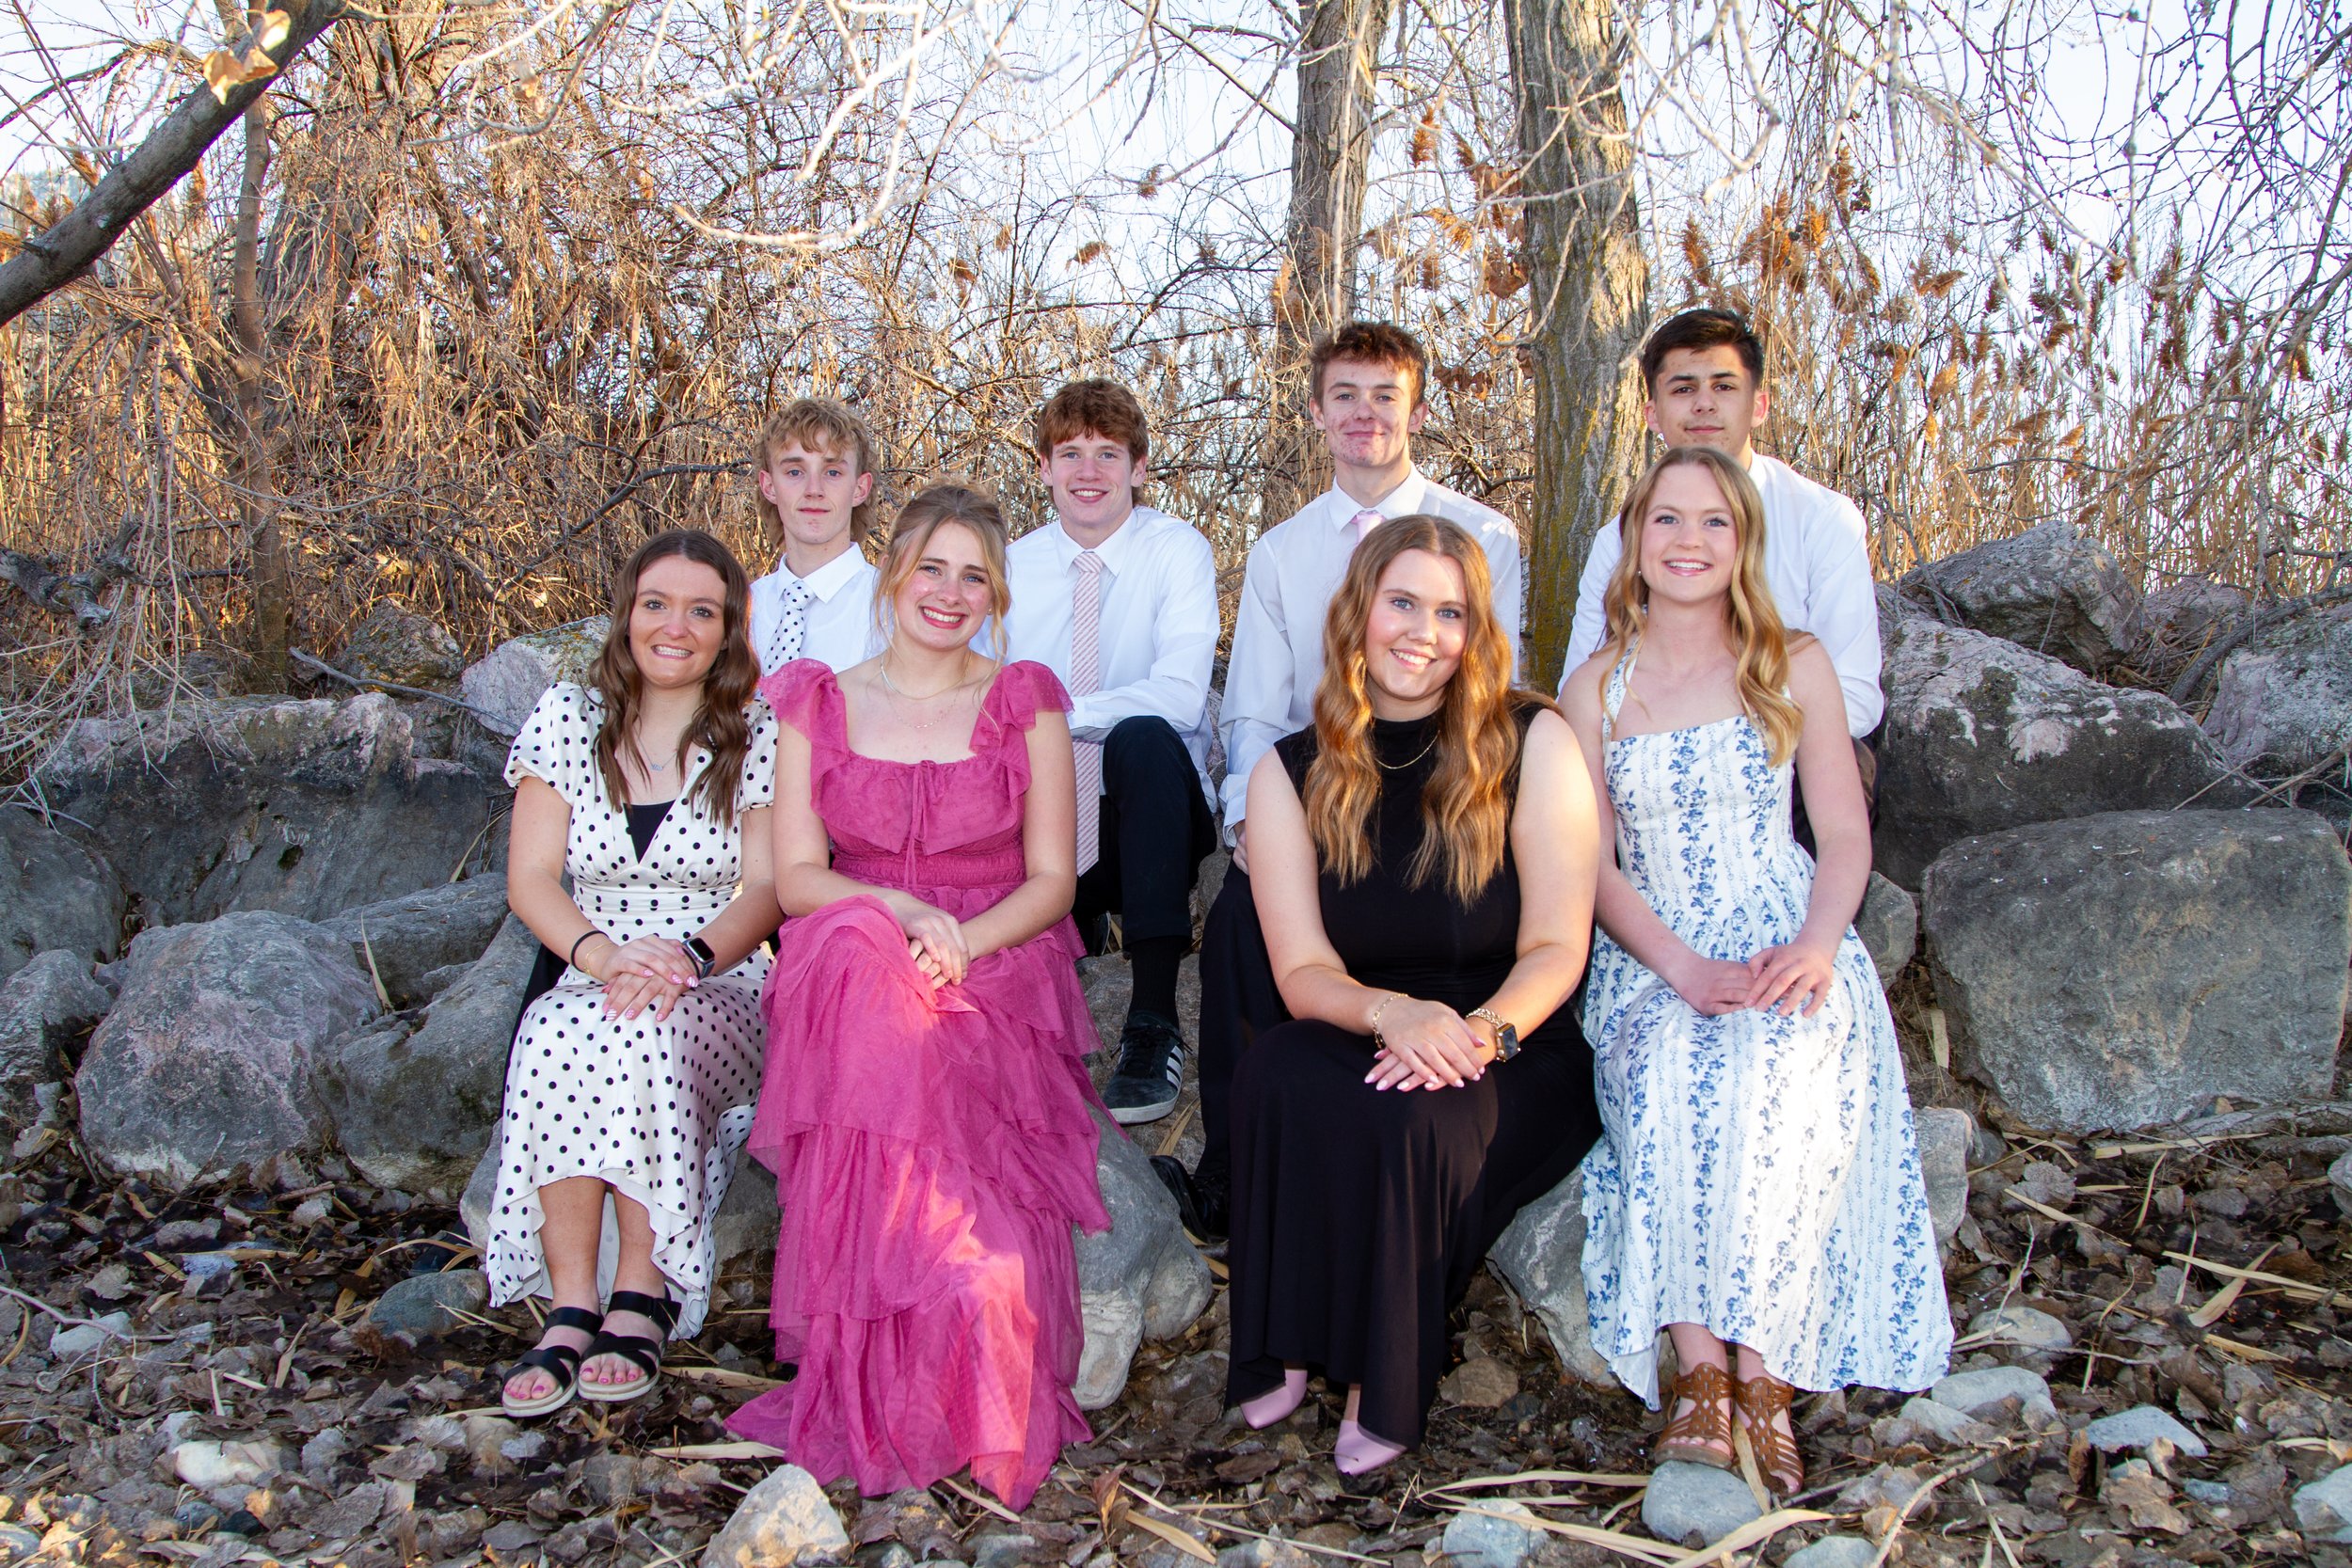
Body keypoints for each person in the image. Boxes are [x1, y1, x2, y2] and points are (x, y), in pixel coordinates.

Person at [1559, 449, 1950, 1497]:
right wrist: (1679, 965)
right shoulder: (1595, 686)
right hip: (1654, 944)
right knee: (1681, 1075)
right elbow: (1588, 865)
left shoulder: (1793, 661)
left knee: (1776, 1072)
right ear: (1633, 542)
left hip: (1784, 924)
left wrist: (1818, 944)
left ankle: (1764, 1368)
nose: (1689, 542)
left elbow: (1842, 835)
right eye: (1666, 521)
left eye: (1714, 523)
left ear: (1743, 543)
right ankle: (1697, 1365)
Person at [726, 483, 1107, 1511]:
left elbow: (1054, 881)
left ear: (995, 594)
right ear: (893, 570)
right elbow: (798, 876)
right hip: (856, 951)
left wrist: (960, 941)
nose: (949, 591)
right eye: (931, 567)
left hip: (996, 958)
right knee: (849, 942)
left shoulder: (1023, 697)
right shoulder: (817, 698)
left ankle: (959, 1261)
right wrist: (898, 909)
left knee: (877, 967)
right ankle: (900, 1285)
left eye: (973, 574)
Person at [1223, 515, 1598, 1477]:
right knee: (1275, 1070)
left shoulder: (1531, 739)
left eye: (1450, 612)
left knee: (1419, 1117)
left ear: (1475, 632)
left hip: (1513, 1032)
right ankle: (1283, 1342)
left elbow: (1559, 941)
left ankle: (1384, 1377)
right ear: (1358, 611)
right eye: (1402, 602)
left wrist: (1476, 1033)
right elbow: (1302, 972)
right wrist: (1393, 1014)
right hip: (1359, 1014)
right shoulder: (1288, 769)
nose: (1421, 632)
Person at [1157, 321, 1525, 1241]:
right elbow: (1253, 710)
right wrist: (1252, 811)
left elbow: (1491, 685)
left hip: (1444, 792)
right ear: (1317, 409)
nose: (1365, 414)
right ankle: (1237, 1174)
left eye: (1385, 396)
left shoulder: (1483, 534)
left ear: (1418, 411)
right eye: (1346, 395)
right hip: (1324, 794)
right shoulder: (1282, 549)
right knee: (1244, 908)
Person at [488, 530, 783, 1418]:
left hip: (717, 976)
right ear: (627, 617)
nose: (676, 626)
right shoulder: (567, 718)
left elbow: (768, 886)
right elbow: (532, 877)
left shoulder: (758, 732)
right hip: (596, 959)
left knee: (645, 1028)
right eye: (657, 603)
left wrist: (686, 958)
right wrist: (601, 956)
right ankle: (571, 1301)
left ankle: (641, 1292)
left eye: (703, 610)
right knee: (549, 1028)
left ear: (728, 631)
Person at [1557, 308, 1882, 842]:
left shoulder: (1823, 519)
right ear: (1651, 413)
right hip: (1653, 752)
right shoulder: (1620, 537)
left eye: (1723, 386)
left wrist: (1727, 745)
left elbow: (1857, 695)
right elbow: (1583, 681)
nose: (1704, 403)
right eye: (1682, 388)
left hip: (1782, 752)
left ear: (1758, 406)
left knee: (1851, 762)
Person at [999, 378, 1219, 1123]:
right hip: (1043, 830)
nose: (1088, 471)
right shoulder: (1007, 565)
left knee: (1146, 735)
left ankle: (1153, 1021)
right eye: (1070, 454)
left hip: (1148, 824)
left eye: (1108, 453)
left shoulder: (1177, 551)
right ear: (1043, 467)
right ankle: (1065, 931)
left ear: (1140, 468)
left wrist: (1055, 713)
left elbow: (1183, 695)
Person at [748, 397, 884, 674]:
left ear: (860, 488)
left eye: (832, 472)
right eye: (795, 471)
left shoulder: (889, 609)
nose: (814, 489)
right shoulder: (744, 607)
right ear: (769, 485)